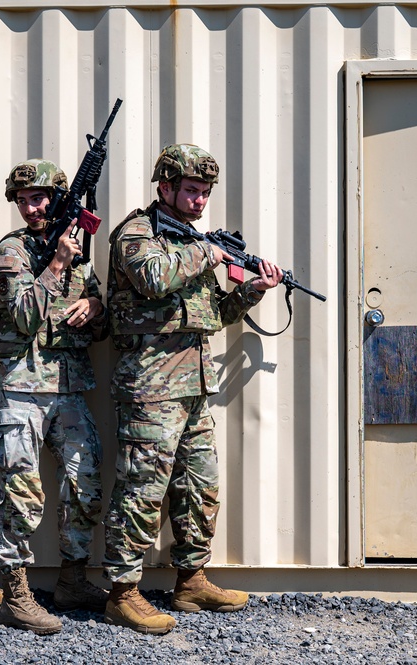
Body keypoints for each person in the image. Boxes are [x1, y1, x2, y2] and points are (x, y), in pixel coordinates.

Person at [101, 144, 284, 634]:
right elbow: (154, 278)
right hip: (150, 388)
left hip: (194, 386)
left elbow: (211, 316)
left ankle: (191, 579)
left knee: (199, 487)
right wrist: (209, 251)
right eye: (191, 190)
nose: (200, 201)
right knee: (141, 490)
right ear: (164, 187)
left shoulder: (193, 242)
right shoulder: (137, 235)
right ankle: (122, 593)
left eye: (205, 193)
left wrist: (250, 290)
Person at [0, 159, 108, 635]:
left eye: (39, 198)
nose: (31, 207)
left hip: (70, 386)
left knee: (85, 483)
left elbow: (101, 320)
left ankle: (73, 580)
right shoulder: (12, 253)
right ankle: (16, 596)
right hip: (21, 387)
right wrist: (56, 263)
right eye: (23, 200)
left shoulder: (79, 250)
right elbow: (20, 317)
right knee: (21, 491)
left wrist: (93, 305)